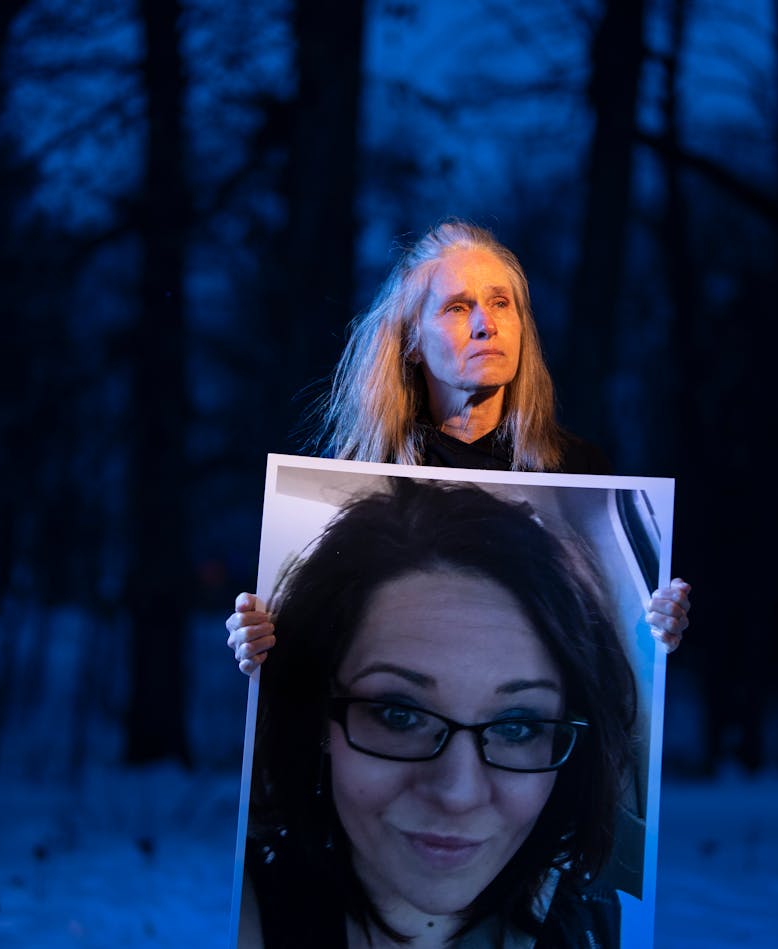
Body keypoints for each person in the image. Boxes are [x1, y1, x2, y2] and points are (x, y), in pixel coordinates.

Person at [228, 220, 692, 674]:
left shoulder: (577, 472)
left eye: (500, 303)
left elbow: (602, 646)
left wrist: (651, 629)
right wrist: (263, 639)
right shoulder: (357, 475)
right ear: (412, 342)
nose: (485, 325)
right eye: (456, 308)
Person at [239, 479, 638, 948]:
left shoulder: (602, 926)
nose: (458, 793)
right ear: (317, 720)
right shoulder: (240, 909)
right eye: (400, 715)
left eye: (517, 726)